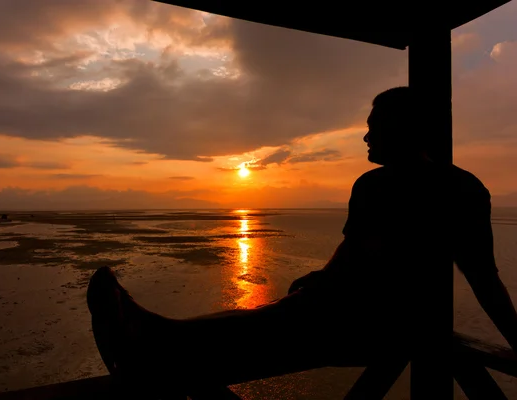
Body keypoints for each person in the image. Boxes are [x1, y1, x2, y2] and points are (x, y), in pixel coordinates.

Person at [86, 87, 517, 393]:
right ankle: (159, 338)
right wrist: (322, 277)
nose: (366, 137)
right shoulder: (381, 185)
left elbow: (483, 279)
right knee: (272, 317)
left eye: (374, 128)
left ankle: (155, 341)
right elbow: (353, 250)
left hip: (385, 328)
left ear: (404, 129)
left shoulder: (452, 189)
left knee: (267, 325)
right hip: (353, 308)